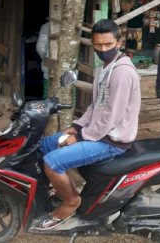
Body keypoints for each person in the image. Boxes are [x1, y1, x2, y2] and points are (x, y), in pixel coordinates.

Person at [36, 19, 141, 230]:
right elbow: (96, 106)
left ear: (119, 43)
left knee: (52, 162)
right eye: (98, 45)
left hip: (112, 141)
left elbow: (111, 116)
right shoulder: (104, 68)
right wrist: (77, 125)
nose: (103, 50)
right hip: (100, 134)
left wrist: (80, 136)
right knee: (47, 144)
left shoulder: (121, 72)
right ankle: (55, 190)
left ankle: (71, 201)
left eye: (108, 45)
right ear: (92, 44)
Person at [36, 21, 51, 98]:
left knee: (48, 100)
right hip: (69, 73)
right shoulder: (71, 26)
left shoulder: (46, 26)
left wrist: (45, 58)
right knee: (67, 103)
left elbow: (40, 47)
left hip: (49, 70)